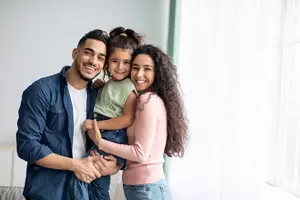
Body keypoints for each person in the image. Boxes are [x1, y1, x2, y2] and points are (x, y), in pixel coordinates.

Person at [16, 29, 120, 200]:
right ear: (75, 53)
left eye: (101, 57)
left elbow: (117, 135)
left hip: (90, 192)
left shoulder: (101, 97)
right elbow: (27, 146)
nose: (93, 61)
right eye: (88, 53)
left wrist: (116, 165)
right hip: (48, 193)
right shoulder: (41, 90)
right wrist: (76, 165)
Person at [88, 44, 189, 200]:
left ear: (157, 73)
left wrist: (100, 142)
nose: (139, 74)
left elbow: (140, 154)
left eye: (147, 69)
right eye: (135, 68)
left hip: (148, 189)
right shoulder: (141, 99)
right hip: (143, 188)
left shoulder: (147, 101)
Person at [66, 26, 143, 200]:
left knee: (80, 176)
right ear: (107, 62)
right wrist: (102, 87)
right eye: (115, 61)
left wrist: (96, 125)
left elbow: (127, 118)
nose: (120, 67)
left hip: (110, 135)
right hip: (104, 135)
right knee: (98, 185)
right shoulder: (108, 83)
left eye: (126, 62)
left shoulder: (128, 87)